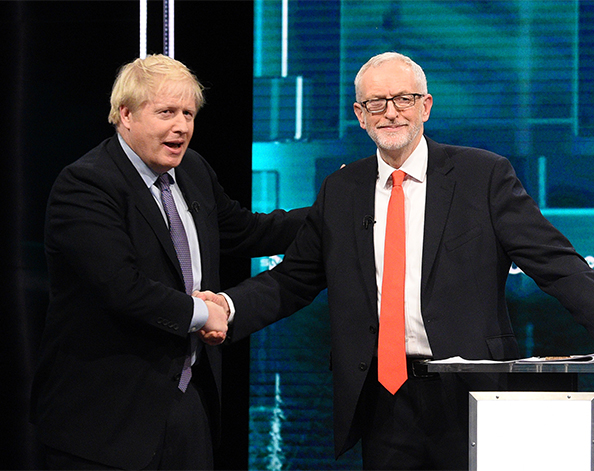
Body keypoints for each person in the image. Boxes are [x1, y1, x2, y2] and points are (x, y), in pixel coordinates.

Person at [199, 51, 594, 470]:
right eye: (376, 103)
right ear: (360, 114)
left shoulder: (483, 175)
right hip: (383, 398)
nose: (391, 113)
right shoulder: (342, 190)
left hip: (473, 391)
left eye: (403, 99)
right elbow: (293, 279)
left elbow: (556, 264)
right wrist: (227, 306)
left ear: (425, 106)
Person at [30, 54, 307, 470]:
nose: (181, 127)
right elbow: (123, 288)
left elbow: (247, 232)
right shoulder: (87, 184)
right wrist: (206, 313)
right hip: (105, 421)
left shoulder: (192, 169)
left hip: (187, 407)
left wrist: (330, 210)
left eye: (188, 114)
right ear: (125, 114)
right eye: (166, 113)